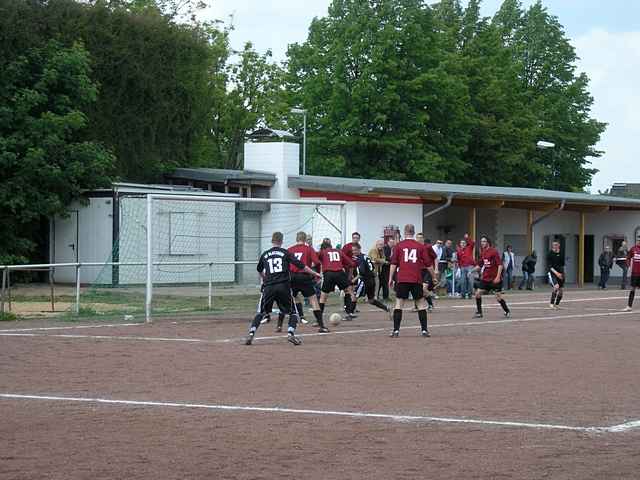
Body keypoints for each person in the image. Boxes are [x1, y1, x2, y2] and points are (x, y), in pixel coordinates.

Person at [245, 232, 321, 346]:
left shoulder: (265, 254)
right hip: (283, 287)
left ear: (272, 240)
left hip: (269, 287)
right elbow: (302, 266)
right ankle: (290, 333)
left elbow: (259, 269)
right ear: (281, 241)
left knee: (260, 312)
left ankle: (251, 333)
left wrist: (265, 279)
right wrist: (315, 273)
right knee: (293, 313)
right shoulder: (285, 253)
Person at [275, 232, 329, 334]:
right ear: (305, 239)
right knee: (313, 300)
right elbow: (317, 262)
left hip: (291, 277)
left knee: (287, 300)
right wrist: (316, 274)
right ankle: (321, 326)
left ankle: (279, 325)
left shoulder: (290, 249)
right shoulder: (308, 249)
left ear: (296, 239)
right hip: (304, 276)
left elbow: (284, 264)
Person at [388, 224, 433, 338]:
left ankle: (396, 330)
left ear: (404, 232)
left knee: (399, 303)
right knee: (420, 304)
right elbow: (428, 264)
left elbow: (393, 263)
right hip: (416, 278)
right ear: (414, 232)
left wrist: (390, 278)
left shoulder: (399, 246)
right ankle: (424, 330)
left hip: (402, 278)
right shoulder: (420, 246)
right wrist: (434, 276)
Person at [472, 236, 511, 319]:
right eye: (481, 241)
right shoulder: (483, 252)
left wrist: (497, 277)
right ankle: (479, 312)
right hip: (485, 278)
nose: (482, 243)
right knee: (477, 293)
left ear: (488, 242)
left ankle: (506, 311)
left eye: (484, 241)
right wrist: (471, 271)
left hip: (494, 279)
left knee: (498, 297)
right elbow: (480, 265)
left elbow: (500, 265)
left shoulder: (494, 252)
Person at [318, 238, 357, 319]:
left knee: (323, 297)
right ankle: (349, 313)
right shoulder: (339, 251)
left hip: (328, 274)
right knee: (348, 291)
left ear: (323, 248)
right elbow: (351, 263)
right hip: (339, 273)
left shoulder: (322, 252)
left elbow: (316, 261)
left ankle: (319, 318)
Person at [351, 243, 390, 313]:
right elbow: (372, 267)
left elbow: (362, 273)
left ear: (359, 249)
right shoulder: (365, 256)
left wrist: (353, 280)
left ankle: (350, 313)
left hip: (365, 281)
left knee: (354, 296)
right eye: (353, 250)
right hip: (371, 280)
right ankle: (386, 308)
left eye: (355, 250)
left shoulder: (360, 259)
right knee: (371, 300)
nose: (354, 252)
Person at [416, 233, 438, 310]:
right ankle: (417, 305)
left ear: (423, 238)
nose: (419, 239)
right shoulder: (415, 247)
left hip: (428, 270)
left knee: (424, 288)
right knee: (418, 289)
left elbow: (435, 257)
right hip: (419, 270)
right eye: (418, 238)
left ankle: (430, 304)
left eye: (420, 238)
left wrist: (436, 269)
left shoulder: (428, 247)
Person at [547, 240, 565, 309]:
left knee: (561, 291)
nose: (555, 246)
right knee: (556, 286)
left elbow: (562, 264)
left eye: (556, 245)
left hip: (560, 273)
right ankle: (551, 304)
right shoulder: (550, 254)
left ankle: (557, 304)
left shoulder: (561, 253)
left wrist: (561, 274)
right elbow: (549, 266)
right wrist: (556, 273)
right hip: (553, 273)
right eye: (554, 245)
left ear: (559, 245)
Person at [457, 234, 475, 299]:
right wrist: (459, 267)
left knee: (470, 281)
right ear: (460, 244)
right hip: (462, 267)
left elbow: (472, 243)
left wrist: (467, 238)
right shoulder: (458, 251)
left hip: (470, 266)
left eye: (464, 243)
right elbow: (459, 260)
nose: (463, 244)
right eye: (462, 243)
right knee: (463, 281)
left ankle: (470, 294)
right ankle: (463, 294)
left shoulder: (469, 247)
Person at [624, 237, 640, 311]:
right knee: (632, 289)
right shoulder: (633, 249)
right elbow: (628, 257)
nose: (638, 242)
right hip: (635, 273)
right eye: (638, 240)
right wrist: (628, 265)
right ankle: (629, 306)